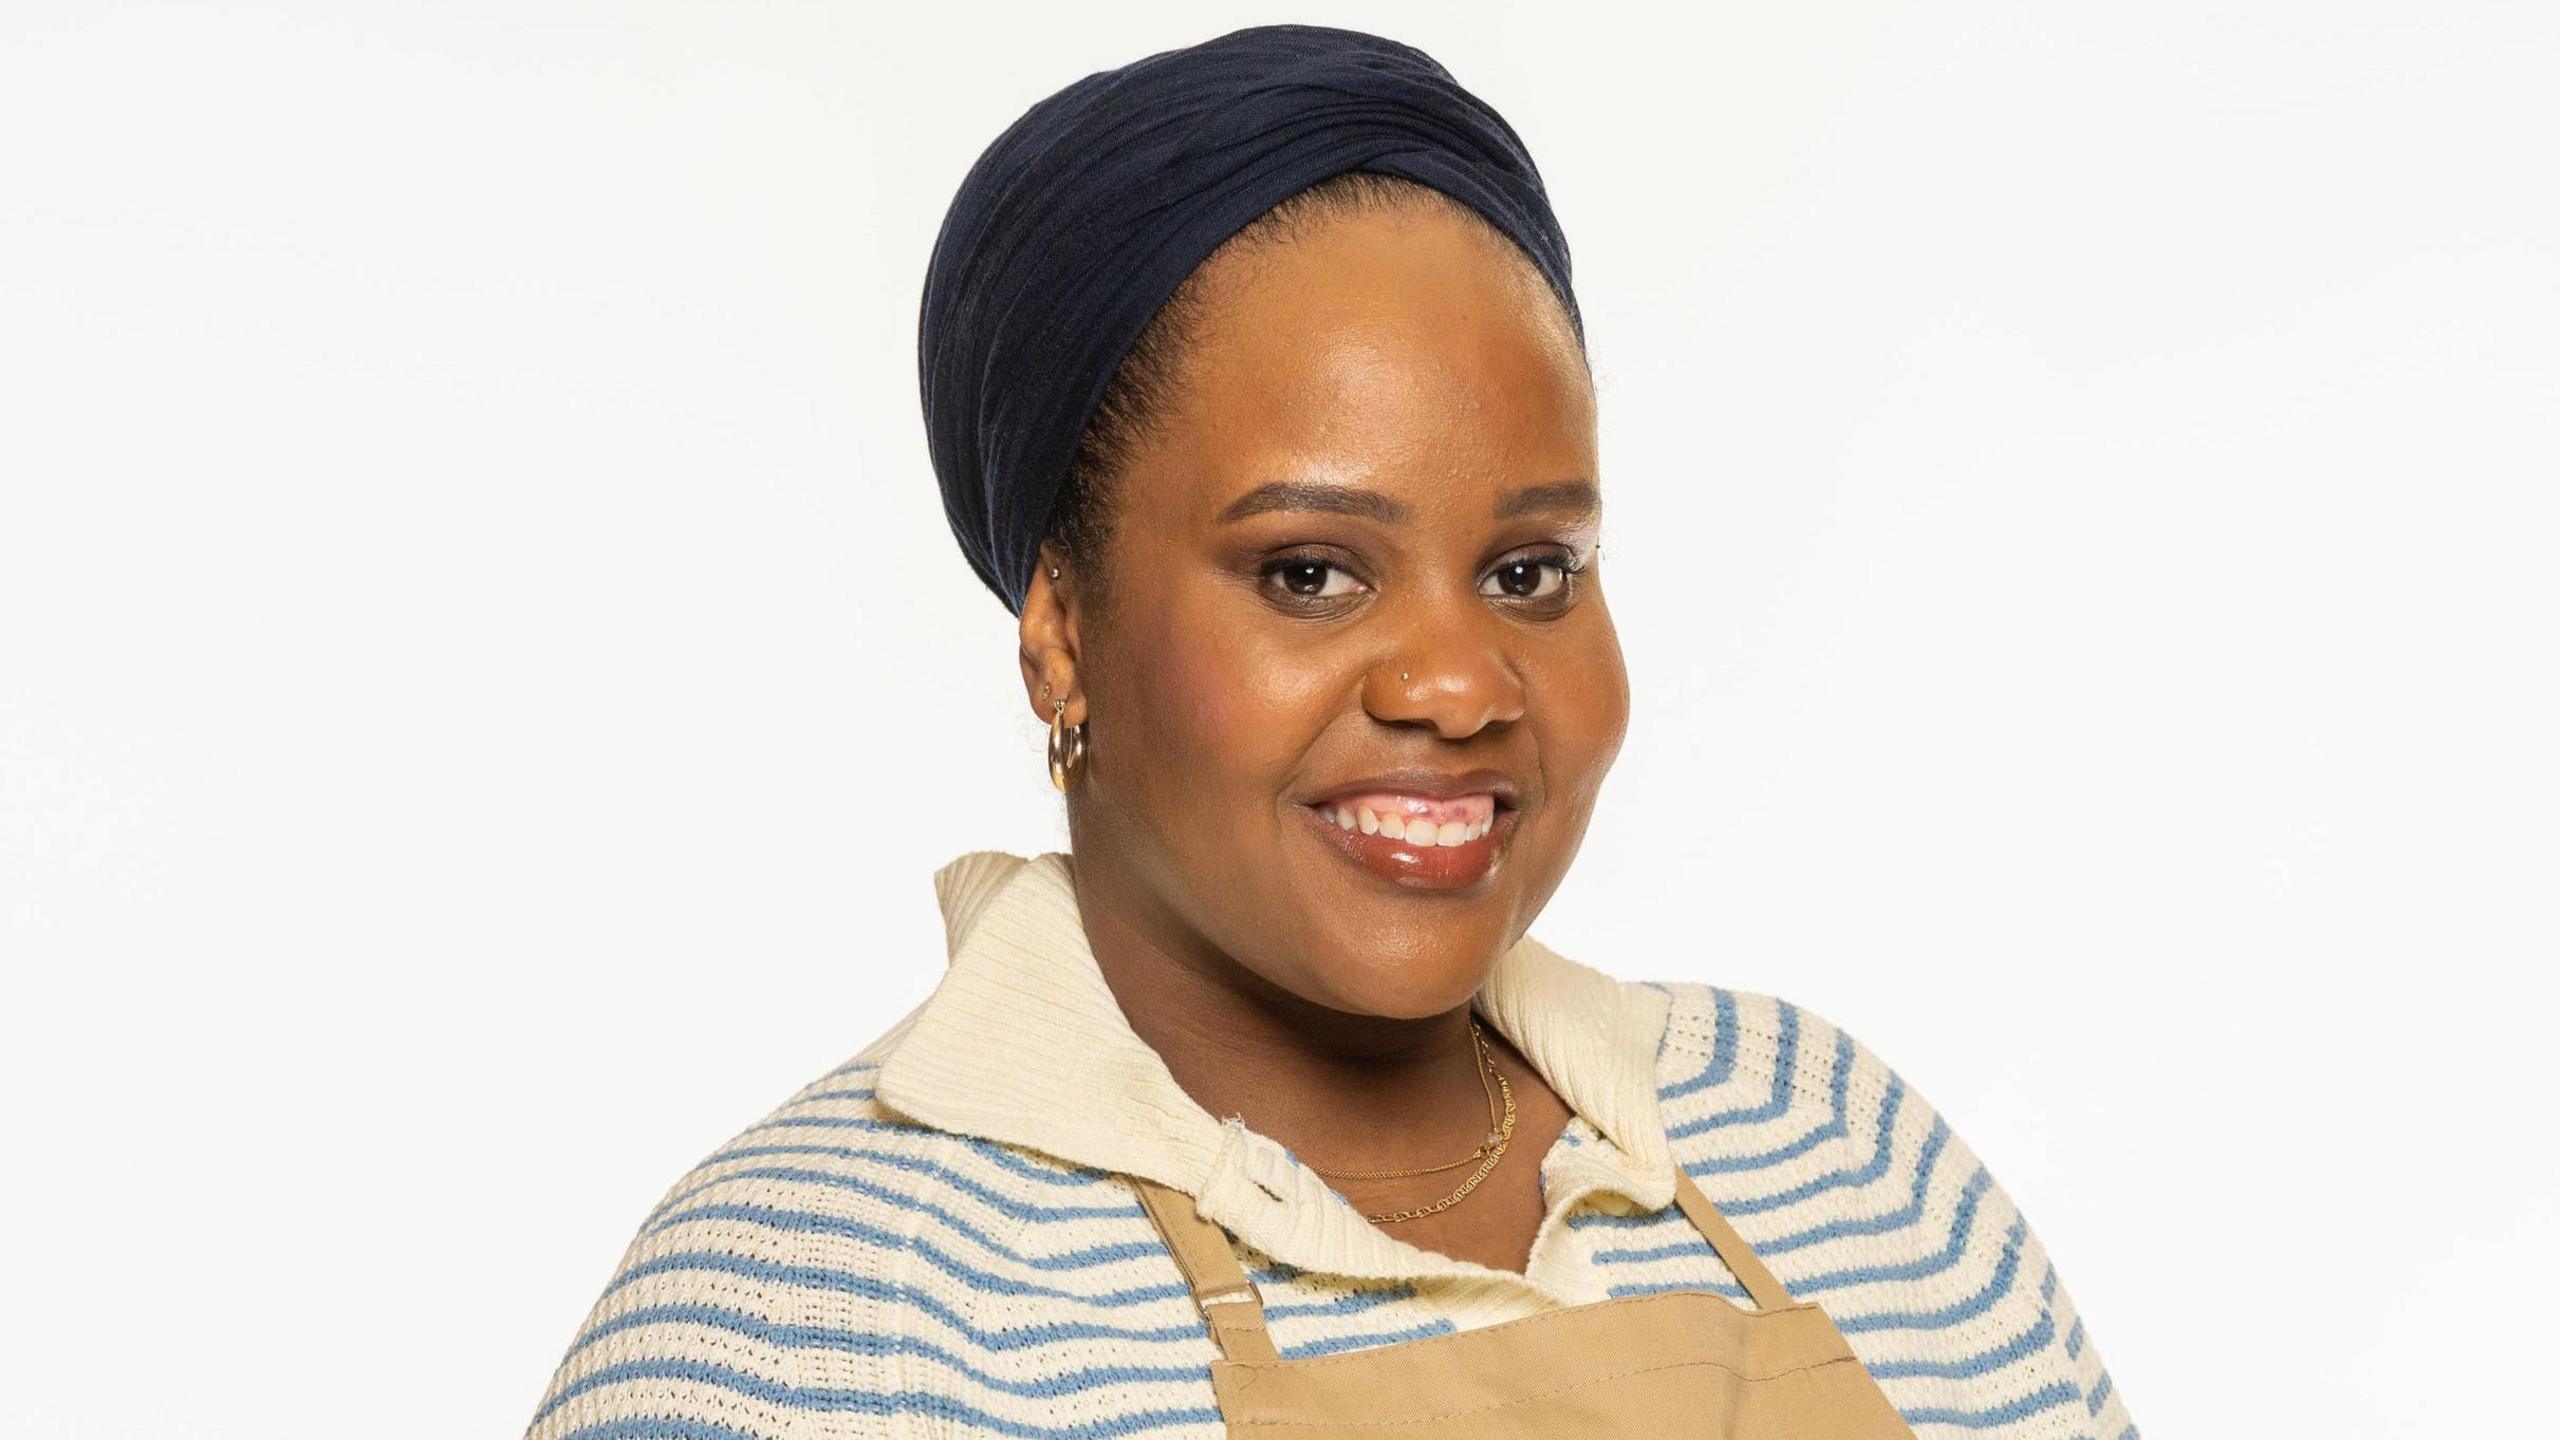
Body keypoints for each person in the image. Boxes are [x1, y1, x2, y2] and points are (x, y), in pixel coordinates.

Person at [525, 24, 2135, 1439]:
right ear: (1061, 633)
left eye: (1529, 570)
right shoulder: (807, 1330)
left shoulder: (1836, 1152)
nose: (1457, 684)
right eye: (1308, 573)